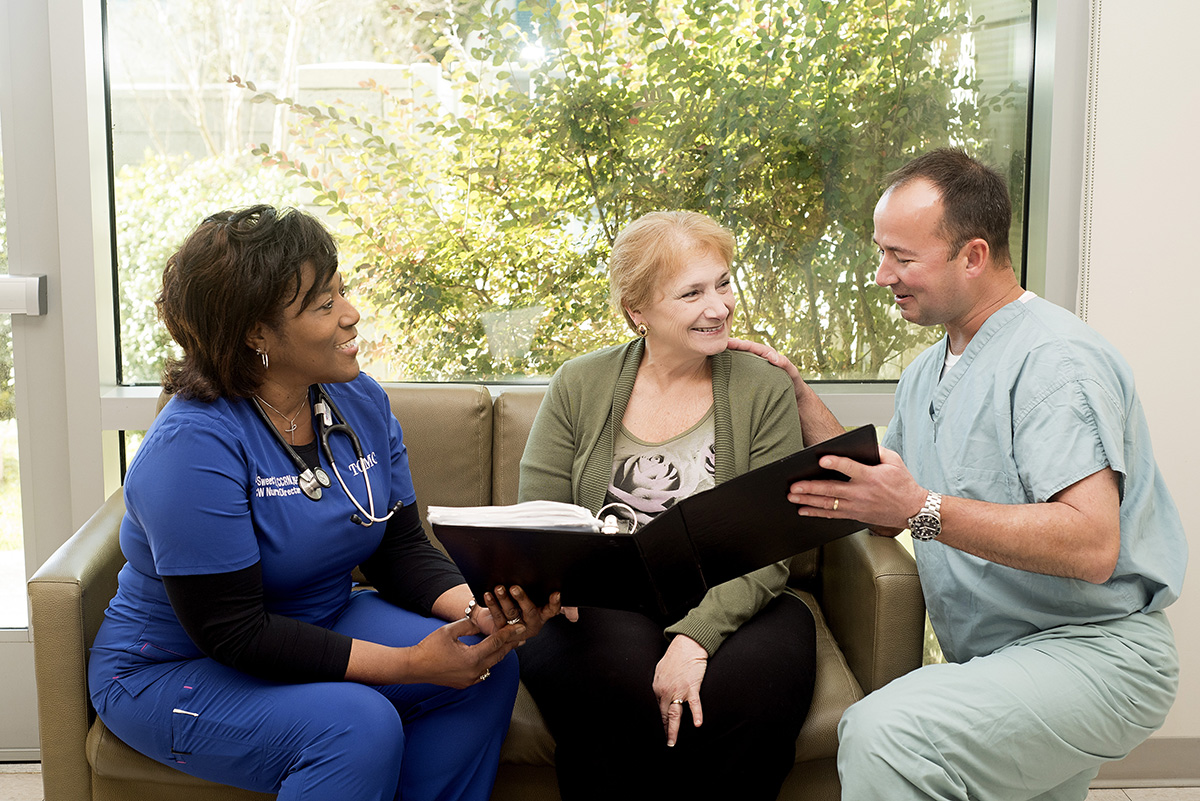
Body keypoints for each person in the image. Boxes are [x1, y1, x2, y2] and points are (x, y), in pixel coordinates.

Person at [732, 148, 1186, 800]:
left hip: (1095, 653)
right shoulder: (927, 372)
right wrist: (801, 399)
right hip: (1007, 663)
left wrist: (922, 510)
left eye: (902, 257)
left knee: (888, 735)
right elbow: (888, 495)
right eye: (881, 252)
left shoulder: (1054, 362)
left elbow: (1092, 545)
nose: (882, 274)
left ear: (973, 256)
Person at [88, 205, 559, 801]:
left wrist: (478, 613)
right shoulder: (193, 447)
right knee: (355, 727)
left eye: (343, 292)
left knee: (485, 665)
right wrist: (412, 664)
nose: (351, 315)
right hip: (175, 669)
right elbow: (234, 633)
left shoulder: (356, 400)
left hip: (324, 617)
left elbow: (400, 547)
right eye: (324, 305)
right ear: (255, 334)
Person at [517, 211, 817, 800]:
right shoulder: (579, 382)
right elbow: (543, 516)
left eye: (723, 283)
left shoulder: (764, 387)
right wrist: (559, 579)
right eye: (692, 293)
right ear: (638, 311)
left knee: (752, 691)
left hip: (738, 592)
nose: (720, 306)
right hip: (603, 598)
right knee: (615, 684)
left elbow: (770, 543)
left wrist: (695, 637)